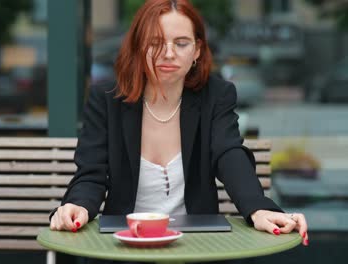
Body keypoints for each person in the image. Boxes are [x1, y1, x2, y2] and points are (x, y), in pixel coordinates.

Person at [50, 0, 308, 256]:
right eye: (155, 43)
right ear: (139, 47)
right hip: (123, 249)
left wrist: (258, 208)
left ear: (197, 50)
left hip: (198, 248)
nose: (169, 53)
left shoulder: (216, 95)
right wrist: (78, 205)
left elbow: (228, 153)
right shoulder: (106, 99)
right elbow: (91, 172)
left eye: (181, 43)